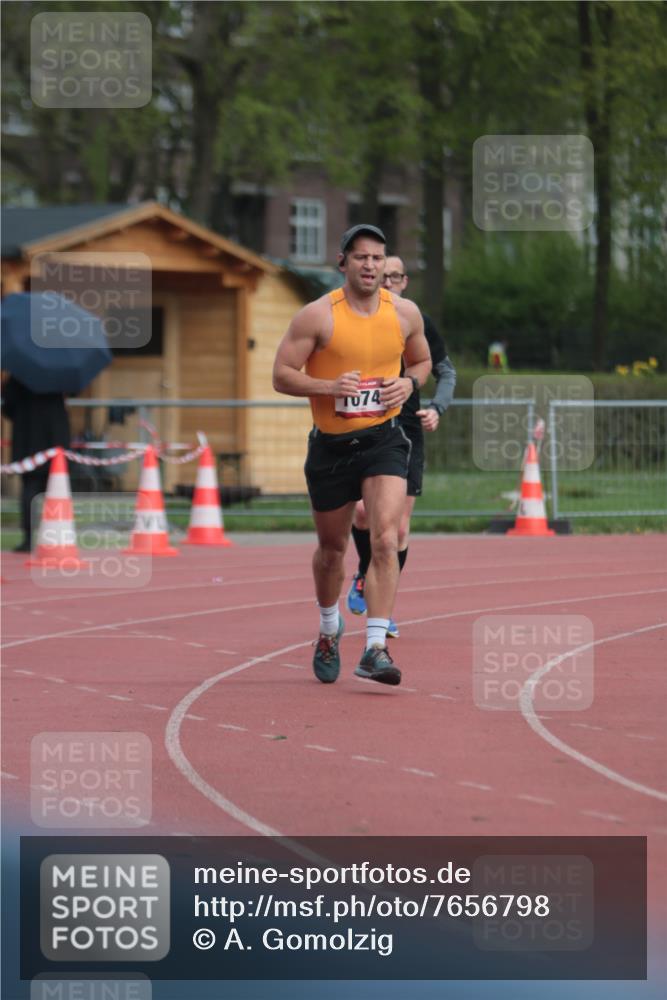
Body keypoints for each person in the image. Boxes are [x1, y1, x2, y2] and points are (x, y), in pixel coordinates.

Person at [272, 224, 431, 686]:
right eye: (360, 258)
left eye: (377, 258)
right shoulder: (317, 316)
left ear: (386, 266)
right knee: (331, 551)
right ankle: (328, 629)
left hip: (384, 438)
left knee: (384, 538)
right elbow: (281, 374)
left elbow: (420, 361)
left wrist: (410, 382)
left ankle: (375, 646)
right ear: (342, 263)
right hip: (331, 446)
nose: (369, 266)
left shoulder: (404, 314)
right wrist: (328, 386)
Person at [346, 256, 456, 631]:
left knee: (399, 530)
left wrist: (437, 408)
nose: (387, 280)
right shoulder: (353, 316)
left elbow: (445, 370)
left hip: (405, 431)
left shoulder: (415, 320)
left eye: (395, 275)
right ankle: (364, 574)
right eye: (382, 273)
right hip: (362, 428)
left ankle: (381, 605)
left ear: (405, 281)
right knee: (362, 514)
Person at [1, 375, 71, 552]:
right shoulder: (60, 370)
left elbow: (7, 407)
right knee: (57, 490)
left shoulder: (19, 374)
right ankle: (56, 537)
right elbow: (72, 392)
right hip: (55, 437)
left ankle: (29, 538)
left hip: (28, 438)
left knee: (30, 489)